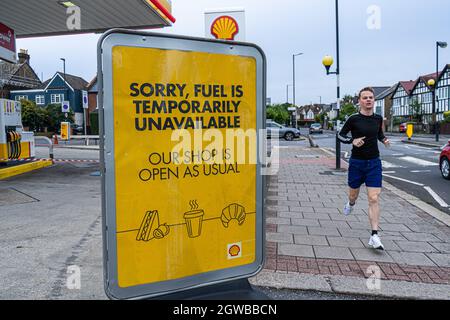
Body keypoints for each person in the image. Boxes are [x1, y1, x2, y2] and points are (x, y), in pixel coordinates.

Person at [338, 87, 390, 250]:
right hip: (357, 163)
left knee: (374, 198)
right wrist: (351, 141)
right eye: (365, 97)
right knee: (353, 194)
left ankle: (374, 235)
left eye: (371, 97)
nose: (368, 100)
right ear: (360, 101)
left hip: (374, 163)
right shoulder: (353, 119)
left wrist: (384, 140)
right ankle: (351, 204)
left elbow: (378, 134)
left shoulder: (378, 118)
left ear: (374, 100)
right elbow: (340, 135)